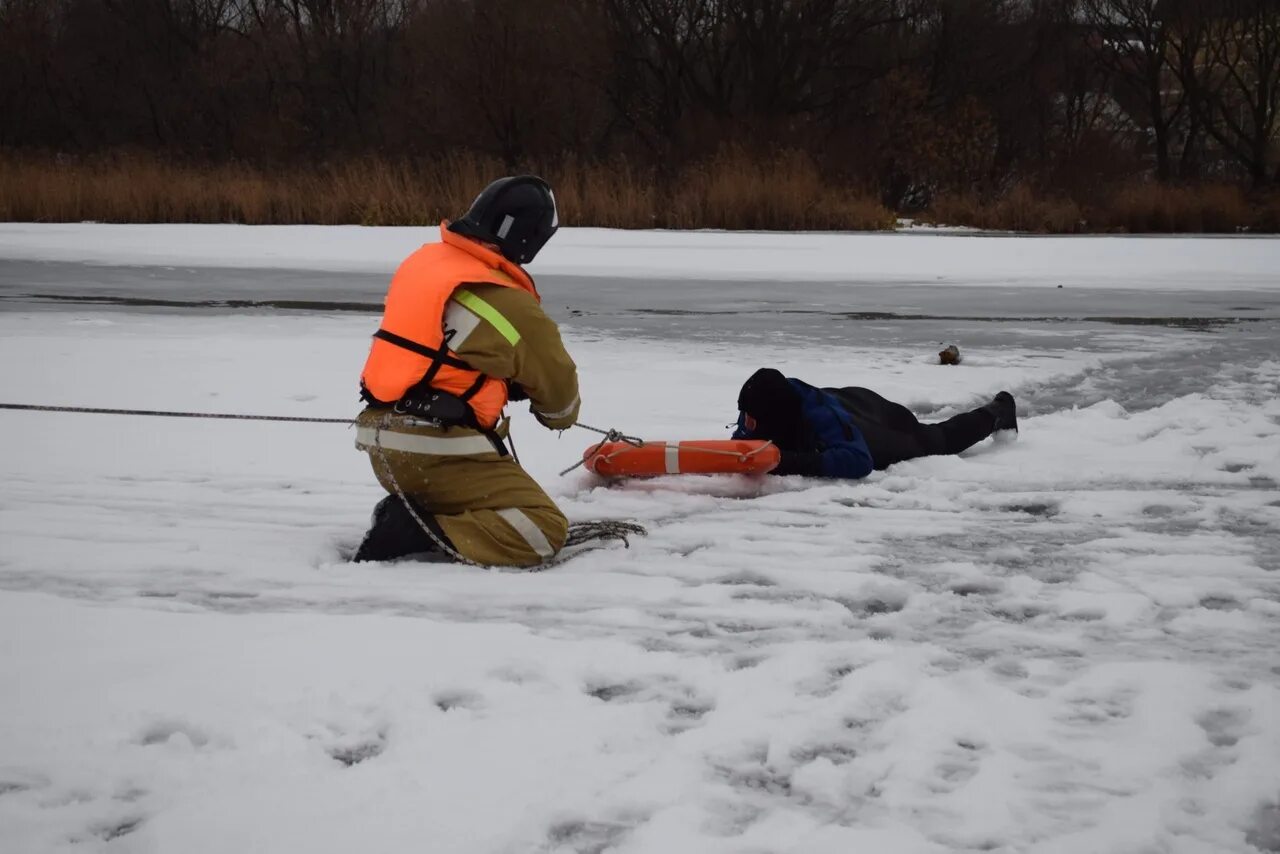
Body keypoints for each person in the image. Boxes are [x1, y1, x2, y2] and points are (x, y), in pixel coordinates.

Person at [352, 175, 580, 566]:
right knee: (541, 530)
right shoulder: (502, 299)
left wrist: (498, 382)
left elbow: (440, 349)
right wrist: (551, 412)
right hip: (437, 453)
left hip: (383, 443)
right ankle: (416, 531)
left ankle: (414, 512)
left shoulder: (427, 263)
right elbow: (560, 400)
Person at [732, 368, 1018, 478]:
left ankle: (998, 411)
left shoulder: (819, 417)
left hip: (881, 424)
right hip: (845, 401)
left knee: (939, 441)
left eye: (751, 419)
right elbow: (742, 441)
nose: (746, 424)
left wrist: (787, 461)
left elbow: (858, 461)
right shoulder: (760, 405)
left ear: (776, 414)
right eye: (745, 417)